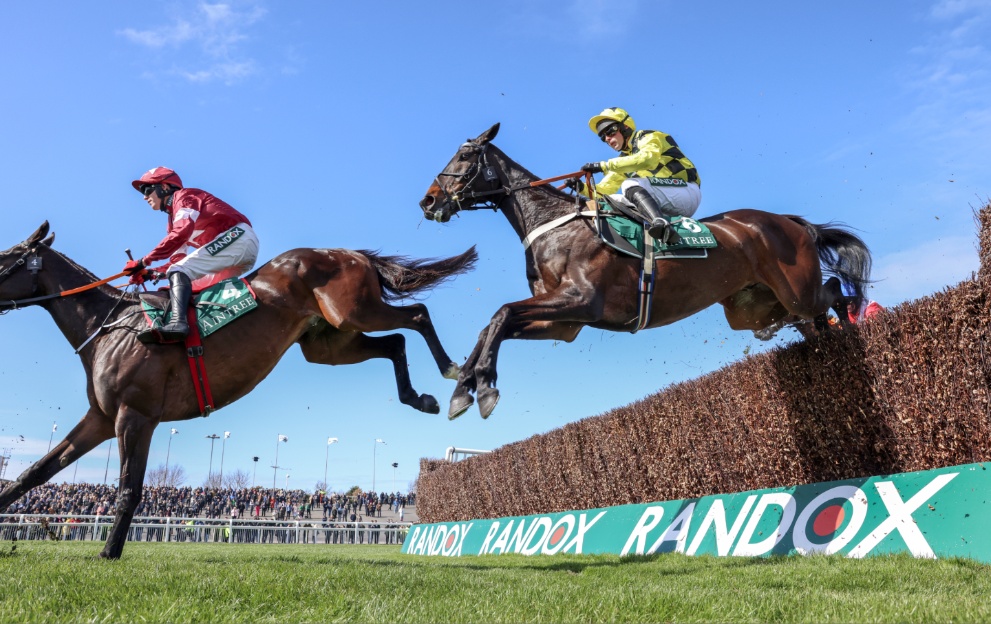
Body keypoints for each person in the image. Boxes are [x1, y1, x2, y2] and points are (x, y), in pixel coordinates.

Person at [122, 167, 259, 343]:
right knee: (183, 281)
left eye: (147, 189)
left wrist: (144, 261)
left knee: (179, 271)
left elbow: (181, 233)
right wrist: (150, 273)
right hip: (233, 253)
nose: (144, 196)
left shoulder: (184, 197)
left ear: (164, 187)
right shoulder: (172, 222)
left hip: (237, 238)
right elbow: (177, 261)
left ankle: (178, 324)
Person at [574, 107, 702, 244]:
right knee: (608, 200)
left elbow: (647, 159)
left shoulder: (649, 136)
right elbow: (603, 191)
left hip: (685, 192)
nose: (608, 139)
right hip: (662, 202)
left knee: (629, 184)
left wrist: (603, 166)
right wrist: (580, 187)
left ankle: (662, 226)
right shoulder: (624, 159)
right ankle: (640, 242)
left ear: (625, 126)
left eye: (610, 131)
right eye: (603, 137)